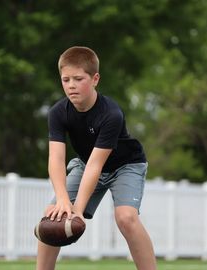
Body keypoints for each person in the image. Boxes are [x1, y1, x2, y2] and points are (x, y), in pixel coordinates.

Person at [36, 46, 157, 270]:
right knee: (52, 214)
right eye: (65, 79)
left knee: (126, 218)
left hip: (125, 166)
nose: (71, 85)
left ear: (95, 79)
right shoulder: (58, 113)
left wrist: (78, 209)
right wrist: (63, 201)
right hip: (85, 163)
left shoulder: (111, 114)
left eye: (78, 79)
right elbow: (56, 158)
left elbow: (96, 165)